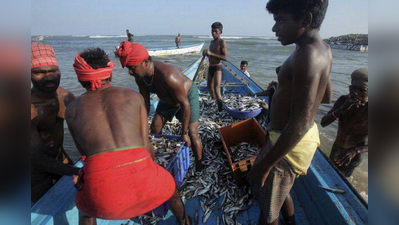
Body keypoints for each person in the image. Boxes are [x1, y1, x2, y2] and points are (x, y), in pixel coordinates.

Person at [66, 48, 190, 224]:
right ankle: (184, 220)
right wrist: (148, 173)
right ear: (110, 72)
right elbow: (147, 147)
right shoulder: (133, 97)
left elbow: (87, 157)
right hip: (143, 181)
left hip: (103, 200)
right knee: (171, 189)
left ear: (80, 78)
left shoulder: (71, 110)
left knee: (85, 209)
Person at [247, 1, 333, 225]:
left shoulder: (307, 55)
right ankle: (292, 220)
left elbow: (302, 122)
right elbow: (326, 97)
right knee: (280, 195)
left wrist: (266, 165)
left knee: (267, 215)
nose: (275, 29)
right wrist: (283, 88)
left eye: (280, 20)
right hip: (292, 140)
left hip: (287, 145)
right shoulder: (322, 49)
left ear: (305, 20)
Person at [116, 41, 204, 172]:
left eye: (132, 67)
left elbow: (185, 104)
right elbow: (145, 102)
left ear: (145, 63)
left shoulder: (168, 76)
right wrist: (141, 126)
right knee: (155, 128)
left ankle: (199, 164)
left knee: (192, 133)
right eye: (128, 68)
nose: (130, 72)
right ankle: (162, 157)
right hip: (166, 99)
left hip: (186, 97)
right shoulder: (140, 77)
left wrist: (183, 132)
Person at [31, 42, 80, 204]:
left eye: (53, 71)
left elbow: (80, 135)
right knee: (40, 207)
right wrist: (74, 170)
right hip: (32, 170)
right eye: (39, 72)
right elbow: (33, 157)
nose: (49, 77)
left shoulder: (65, 97)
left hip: (59, 159)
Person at [321, 69, 368, 177]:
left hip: (352, 155)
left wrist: (355, 151)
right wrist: (342, 109)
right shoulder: (343, 100)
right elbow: (323, 123)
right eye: (352, 88)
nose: (355, 93)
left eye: (361, 90)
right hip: (336, 149)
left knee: (339, 179)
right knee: (329, 175)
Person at [203, 22, 228, 112]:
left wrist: (210, 53)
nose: (213, 33)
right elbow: (211, 55)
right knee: (209, 86)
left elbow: (225, 57)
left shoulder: (222, 42)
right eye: (212, 31)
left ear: (220, 32)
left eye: (215, 31)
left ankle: (220, 108)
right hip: (210, 66)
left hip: (217, 67)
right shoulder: (212, 42)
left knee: (217, 88)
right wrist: (206, 54)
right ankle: (214, 101)